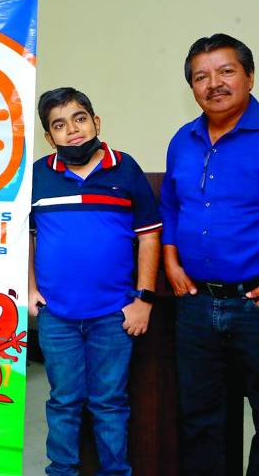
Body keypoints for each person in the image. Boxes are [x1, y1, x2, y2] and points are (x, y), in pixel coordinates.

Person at [29, 87, 161, 475]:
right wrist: (31, 288)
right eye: (59, 125)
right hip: (57, 317)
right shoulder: (37, 176)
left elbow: (150, 234)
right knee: (64, 402)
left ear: (95, 122)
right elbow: (27, 236)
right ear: (49, 137)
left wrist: (145, 298)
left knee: (109, 403)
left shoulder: (125, 168)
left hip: (113, 315)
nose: (72, 130)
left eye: (79, 118)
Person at [161, 33, 259, 476]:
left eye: (225, 71)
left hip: (254, 307)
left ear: (249, 76)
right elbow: (170, 205)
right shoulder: (183, 140)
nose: (213, 83)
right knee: (201, 422)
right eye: (201, 76)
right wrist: (170, 259)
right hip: (196, 305)